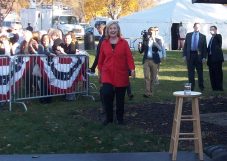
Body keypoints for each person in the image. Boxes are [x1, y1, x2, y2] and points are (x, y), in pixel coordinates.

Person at [98, 21, 135, 125]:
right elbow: (100, 59)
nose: (113, 30)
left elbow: (129, 57)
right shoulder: (104, 43)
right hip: (107, 73)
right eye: (110, 28)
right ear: (107, 31)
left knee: (120, 99)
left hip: (121, 74)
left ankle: (120, 119)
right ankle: (109, 118)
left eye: (115, 28)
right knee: (106, 94)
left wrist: (132, 69)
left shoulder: (124, 43)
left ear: (118, 30)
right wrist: (100, 72)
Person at [138, 27, 162, 97]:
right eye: (149, 32)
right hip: (146, 60)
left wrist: (154, 41)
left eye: (152, 32)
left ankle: (151, 91)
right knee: (146, 76)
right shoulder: (145, 39)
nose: (150, 34)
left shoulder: (158, 40)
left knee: (153, 77)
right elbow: (141, 51)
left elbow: (160, 49)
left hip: (154, 61)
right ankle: (147, 92)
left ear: (154, 33)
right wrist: (140, 47)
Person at [183, 23, 207, 91]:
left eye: (198, 27)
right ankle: (191, 87)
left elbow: (205, 48)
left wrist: (204, 57)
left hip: (199, 56)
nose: (197, 28)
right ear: (193, 27)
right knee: (190, 73)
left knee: (200, 72)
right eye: (196, 27)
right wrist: (184, 55)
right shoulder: (188, 35)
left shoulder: (203, 36)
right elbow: (185, 46)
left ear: (200, 28)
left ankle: (201, 87)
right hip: (190, 55)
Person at [207, 26, 224, 91]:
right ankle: (214, 87)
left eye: (213, 29)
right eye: (210, 30)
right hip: (211, 59)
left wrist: (215, 34)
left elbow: (219, 41)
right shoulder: (211, 38)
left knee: (218, 73)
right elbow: (209, 49)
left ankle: (219, 87)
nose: (211, 31)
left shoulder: (218, 36)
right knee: (212, 73)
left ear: (216, 30)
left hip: (217, 59)